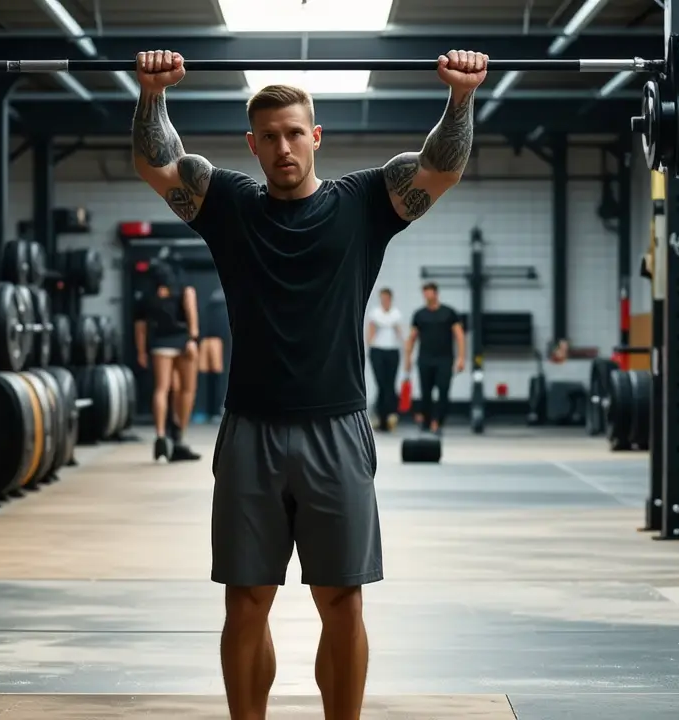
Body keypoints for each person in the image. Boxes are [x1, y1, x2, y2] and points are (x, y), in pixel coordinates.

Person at [130, 47, 485, 720]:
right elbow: (159, 163)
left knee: (343, 598)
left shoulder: (364, 204)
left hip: (338, 429)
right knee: (245, 598)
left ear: (315, 135)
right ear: (253, 146)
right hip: (250, 431)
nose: (284, 146)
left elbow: (441, 167)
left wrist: (461, 97)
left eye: (295, 133)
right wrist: (151, 94)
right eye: (270, 137)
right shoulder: (230, 204)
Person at [133, 258, 203, 462]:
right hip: (183, 342)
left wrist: (141, 352)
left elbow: (140, 328)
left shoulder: (146, 295)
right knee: (187, 390)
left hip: (160, 343)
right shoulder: (182, 288)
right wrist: (192, 337)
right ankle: (179, 436)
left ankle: (161, 435)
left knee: (162, 389)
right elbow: (191, 310)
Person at [403, 282, 466, 434]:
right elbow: (412, 337)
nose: (426, 296)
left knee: (443, 390)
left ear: (436, 294)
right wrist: (408, 358)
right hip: (425, 359)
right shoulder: (419, 314)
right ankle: (426, 422)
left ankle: (438, 422)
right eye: (424, 293)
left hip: (444, 359)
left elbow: (459, 335)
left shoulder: (449, 313)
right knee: (426, 392)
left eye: (429, 292)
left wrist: (461, 357)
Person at [365, 288, 404, 432]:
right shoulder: (375, 313)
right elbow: (370, 331)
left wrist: (405, 348)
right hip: (378, 351)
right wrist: (369, 346)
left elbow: (399, 332)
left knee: (390, 385)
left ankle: (389, 416)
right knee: (381, 383)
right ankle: (380, 416)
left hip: (392, 351)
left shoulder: (395, 314)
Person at [198, 284, 230, 420]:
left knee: (215, 375)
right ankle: (211, 410)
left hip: (217, 338)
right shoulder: (216, 305)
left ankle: (215, 410)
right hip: (211, 338)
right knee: (210, 375)